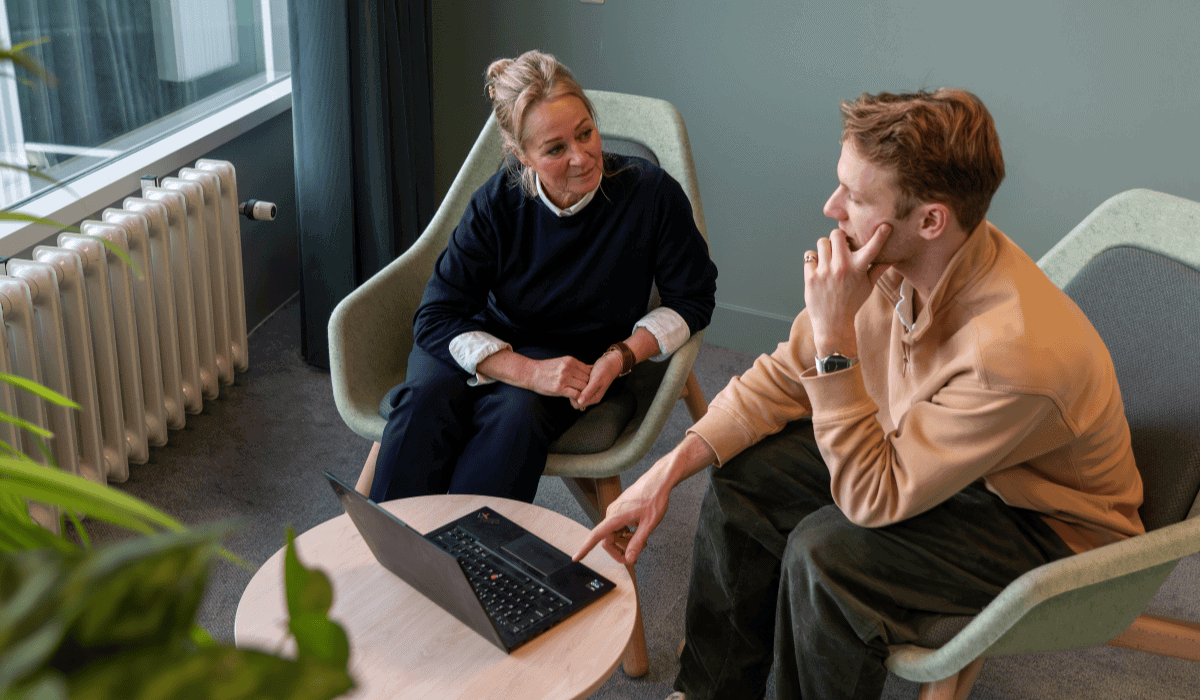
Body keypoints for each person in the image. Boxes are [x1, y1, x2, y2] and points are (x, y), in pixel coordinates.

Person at [576, 88, 1144, 700]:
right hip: (938, 448)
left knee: (827, 559)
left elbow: (872, 498)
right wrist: (665, 471)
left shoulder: (1008, 357)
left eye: (855, 195)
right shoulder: (894, 260)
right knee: (749, 472)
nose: (831, 207)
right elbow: (783, 377)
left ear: (930, 220)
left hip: (1041, 522)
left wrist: (836, 342)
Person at [362, 50, 718, 505]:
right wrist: (526, 371)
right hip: (484, 335)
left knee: (515, 416)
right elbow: (436, 318)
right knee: (423, 401)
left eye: (586, 133)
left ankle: (476, 564)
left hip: (575, 357)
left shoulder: (650, 195)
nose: (583, 157)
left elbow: (693, 298)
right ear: (520, 155)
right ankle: (393, 554)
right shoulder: (497, 203)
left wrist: (622, 356)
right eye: (555, 149)